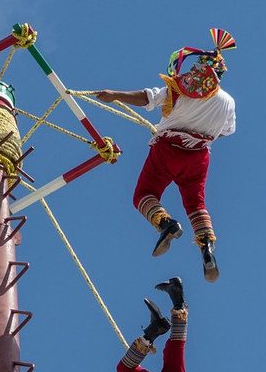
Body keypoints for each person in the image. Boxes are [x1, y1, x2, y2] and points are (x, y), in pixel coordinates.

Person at [95, 29, 237, 282]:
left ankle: (166, 224)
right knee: (196, 204)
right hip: (198, 157)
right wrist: (202, 130)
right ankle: (206, 247)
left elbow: (147, 98)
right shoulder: (227, 101)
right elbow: (226, 132)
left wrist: (114, 95)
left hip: (168, 149)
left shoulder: (179, 90)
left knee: (144, 195)